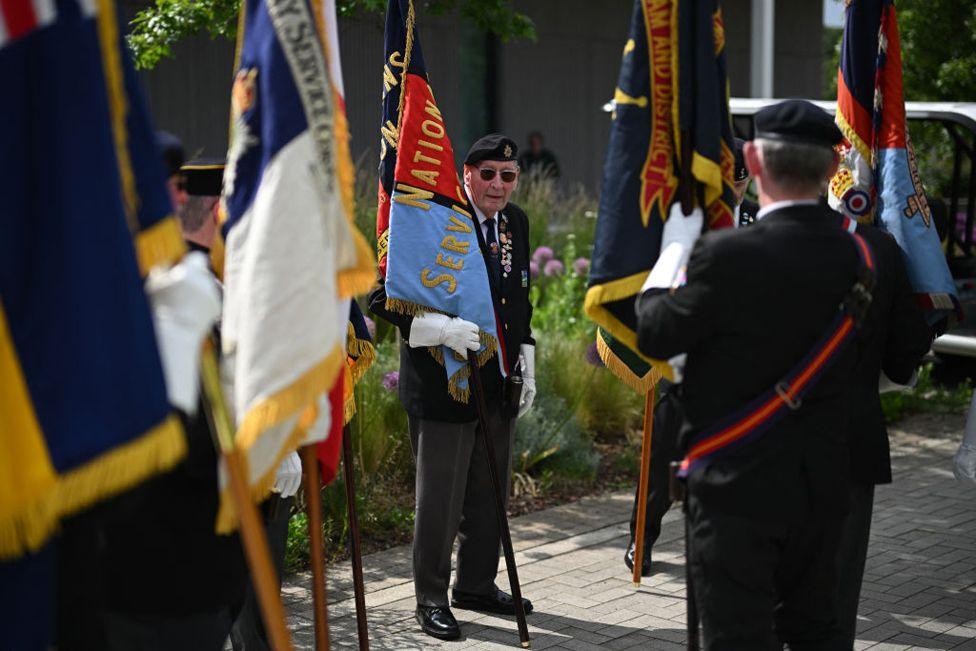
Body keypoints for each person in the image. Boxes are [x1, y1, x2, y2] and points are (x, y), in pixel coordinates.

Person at [635, 99, 865, 649]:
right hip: (824, 484)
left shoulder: (725, 256)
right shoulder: (866, 255)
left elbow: (656, 333)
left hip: (737, 486)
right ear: (832, 168)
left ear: (754, 162)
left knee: (736, 635)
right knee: (813, 629)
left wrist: (672, 251)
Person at [369, 133, 536, 641]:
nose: (498, 185)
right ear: (466, 175)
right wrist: (440, 330)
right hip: (442, 381)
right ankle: (431, 598)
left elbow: (518, 295)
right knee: (440, 500)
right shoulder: (432, 220)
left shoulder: (514, 223)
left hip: (496, 379)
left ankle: (477, 584)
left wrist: (527, 353)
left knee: (490, 492)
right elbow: (382, 299)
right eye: (487, 173)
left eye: (508, 176)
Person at [623, 136, 762, 577]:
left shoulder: (759, 220)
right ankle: (640, 540)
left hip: (737, 365)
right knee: (662, 459)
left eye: (739, 178)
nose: (732, 187)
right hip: (680, 362)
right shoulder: (688, 222)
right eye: (726, 176)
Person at [833, 220, 931, 645]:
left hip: (764, 440)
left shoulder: (743, 242)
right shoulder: (880, 249)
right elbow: (904, 348)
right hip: (851, 436)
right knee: (837, 589)